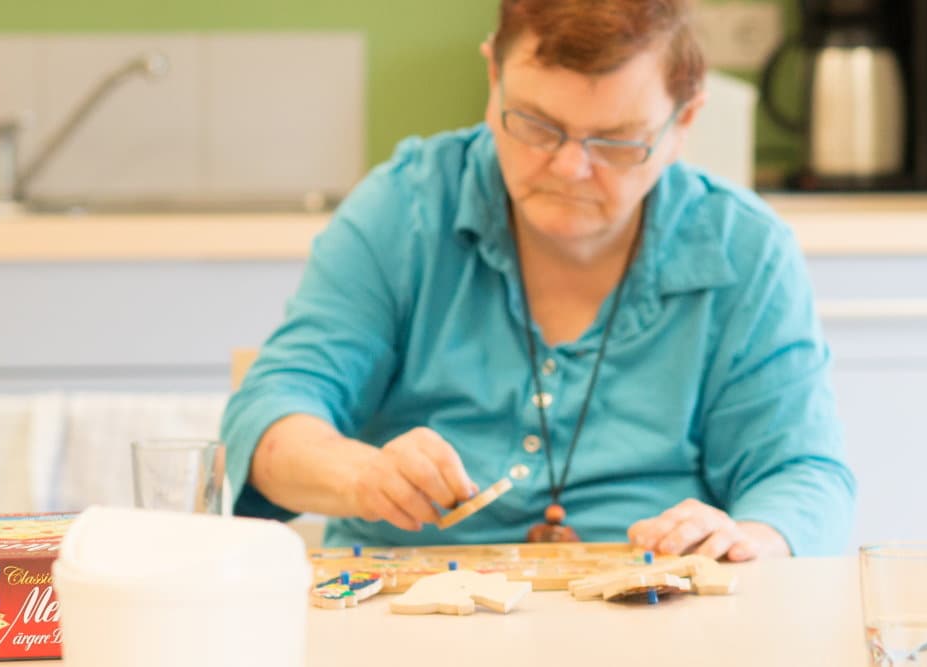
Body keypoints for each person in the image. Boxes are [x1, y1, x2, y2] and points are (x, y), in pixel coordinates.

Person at [221, 0, 854, 560]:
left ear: (684, 122)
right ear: (492, 75)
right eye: (535, 124)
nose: (568, 168)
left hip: (657, 619)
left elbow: (802, 473)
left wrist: (751, 539)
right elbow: (273, 411)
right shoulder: (403, 210)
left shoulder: (745, 250)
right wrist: (362, 475)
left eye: (615, 141)